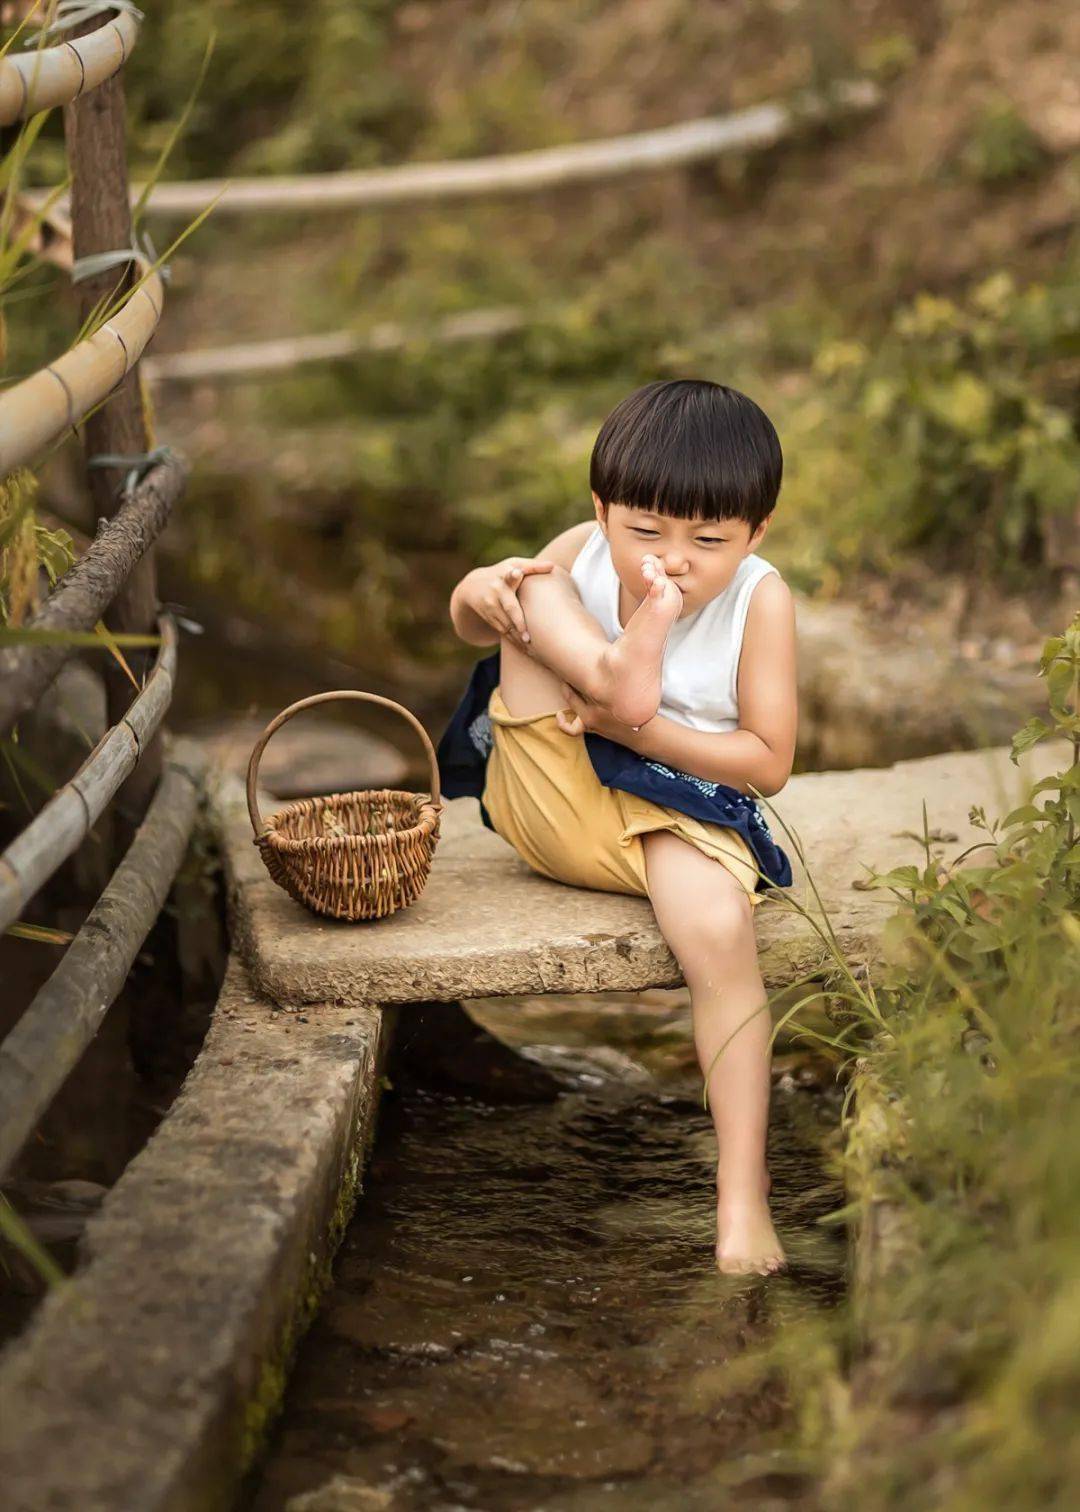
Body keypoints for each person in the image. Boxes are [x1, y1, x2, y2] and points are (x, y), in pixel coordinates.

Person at [438, 379, 798, 1273]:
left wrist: (642, 732)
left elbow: (767, 761)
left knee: (720, 932)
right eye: (646, 532)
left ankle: (741, 1195)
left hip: (673, 806)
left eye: (708, 542)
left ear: (755, 533)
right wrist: (477, 589)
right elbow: (472, 628)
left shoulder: (760, 601)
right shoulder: (582, 549)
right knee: (531, 582)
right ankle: (610, 672)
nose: (671, 561)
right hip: (552, 786)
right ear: (603, 510)